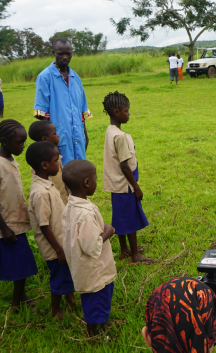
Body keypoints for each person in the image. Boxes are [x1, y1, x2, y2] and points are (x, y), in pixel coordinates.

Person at [0, 119, 39, 313]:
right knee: (17, 266)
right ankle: (15, 304)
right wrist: (3, 228)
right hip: (5, 225)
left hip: (16, 221)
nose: (23, 146)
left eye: (24, 142)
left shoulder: (11, 160)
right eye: (19, 142)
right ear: (4, 141)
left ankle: (21, 297)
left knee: (22, 265)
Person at [61, 159, 118, 336]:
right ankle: (93, 333)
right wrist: (109, 231)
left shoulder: (71, 205)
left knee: (98, 300)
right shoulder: (84, 214)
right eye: (95, 178)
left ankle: (103, 322)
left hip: (86, 270)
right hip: (94, 270)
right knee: (97, 299)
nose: (96, 181)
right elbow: (91, 247)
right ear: (87, 183)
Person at [102, 92, 157, 264]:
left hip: (115, 184)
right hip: (125, 184)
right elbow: (125, 165)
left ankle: (124, 250)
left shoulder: (110, 131)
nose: (129, 113)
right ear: (117, 112)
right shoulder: (120, 136)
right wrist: (136, 187)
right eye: (127, 111)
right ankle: (135, 255)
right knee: (130, 218)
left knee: (120, 216)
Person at [26, 141, 75, 319]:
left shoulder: (47, 183)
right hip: (55, 248)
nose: (59, 163)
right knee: (59, 278)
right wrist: (59, 249)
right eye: (56, 160)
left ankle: (70, 301)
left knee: (65, 275)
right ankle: (56, 310)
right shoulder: (40, 192)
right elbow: (43, 225)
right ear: (45, 165)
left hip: (60, 243)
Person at [34, 38, 89, 165]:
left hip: (78, 138)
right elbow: (42, 115)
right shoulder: (45, 77)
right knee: (60, 177)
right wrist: (49, 143)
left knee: (79, 175)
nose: (65, 57)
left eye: (68, 53)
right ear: (53, 53)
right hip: (58, 139)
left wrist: (84, 134)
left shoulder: (76, 78)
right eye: (60, 53)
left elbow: (81, 111)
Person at [28, 120, 69, 204]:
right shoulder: (40, 163)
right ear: (44, 138)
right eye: (54, 134)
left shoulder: (53, 154)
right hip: (54, 203)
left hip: (63, 201)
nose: (58, 135)